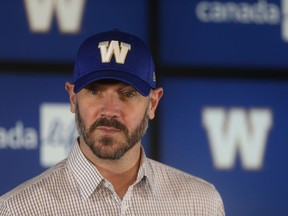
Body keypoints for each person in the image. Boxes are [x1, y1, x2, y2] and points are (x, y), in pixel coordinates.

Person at [0, 30, 225, 215]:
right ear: (72, 97)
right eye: (95, 91)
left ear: (153, 103)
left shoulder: (201, 205)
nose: (109, 110)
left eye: (127, 94)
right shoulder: (17, 210)